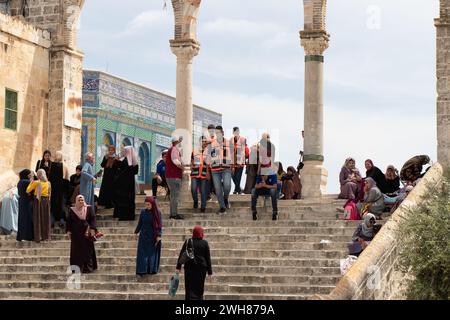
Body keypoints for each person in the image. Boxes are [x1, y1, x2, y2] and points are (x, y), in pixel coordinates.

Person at [176, 226, 213, 300]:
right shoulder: (204, 243)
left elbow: (181, 254)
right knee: (199, 287)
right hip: (201, 269)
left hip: (189, 268)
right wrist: (210, 272)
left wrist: (178, 267)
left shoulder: (188, 241)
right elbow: (208, 258)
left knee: (189, 287)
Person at [66, 195, 98, 273]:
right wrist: (68, 231)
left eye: (82, 200)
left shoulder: (89, 208)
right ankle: (77, 269)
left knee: (88, 250)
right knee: (76, 251)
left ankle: (88, 268)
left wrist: (93, 229)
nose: (81, 202)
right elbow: (69, 221)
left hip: (86, 233)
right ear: (76, 201)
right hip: (76, 235)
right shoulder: (72, 210)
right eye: (79, 200)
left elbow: (93, 219)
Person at [135, 197, 162, 275]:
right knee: (142, 254)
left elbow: (159, 225)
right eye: (146, 204)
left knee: (151, 254)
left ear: (152, 204)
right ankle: (142, 270)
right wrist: (136, 232)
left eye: (148, 204)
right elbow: (140, 223)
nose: (147, 206)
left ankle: (151, 270)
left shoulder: (157, 213)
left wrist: (159, 235)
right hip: (143, 236)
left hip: (153, 236)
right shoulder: (143, 212)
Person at [209, 125, 232, 214]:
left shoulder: (229, 142)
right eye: (216, 133)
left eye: (219, 132)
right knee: (218, 189)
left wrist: (232, 166)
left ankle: (225, 198)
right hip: (215, 169)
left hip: (226, 168)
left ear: (222, 133)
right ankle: (222, 207)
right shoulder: (211, 144)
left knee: (227, 186)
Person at [113, 146, 139, 221]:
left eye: (124, 151)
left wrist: (116, 161)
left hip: (125, 184)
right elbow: (135, 171)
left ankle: (124, 216)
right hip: (128, 183)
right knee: (128, 199)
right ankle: (129, 216)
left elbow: (121, 168)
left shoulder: (126, 160)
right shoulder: (133, 161)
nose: (123, 151)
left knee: (124, 199)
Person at [26, 169, 51, 242]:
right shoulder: (48, 183)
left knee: (38, 218)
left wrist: (31, 181)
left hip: (38, 201)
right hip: (46, 202)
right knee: (46, 219)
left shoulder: (36, 182)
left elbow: (27, 190)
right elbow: (49, 194)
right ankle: (46, 236)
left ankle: (38, 237)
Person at [165, 137, 185, 220]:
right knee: (175, 196)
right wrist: (182, 167)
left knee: (173, 195)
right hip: (174, 176)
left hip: (171, 176)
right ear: (175, 142)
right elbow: (175, 161)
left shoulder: (172, 149)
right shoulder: (174, 149)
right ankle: (174, 214)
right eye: (179, 142)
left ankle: (173, 213)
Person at [49, 151, 69, 228]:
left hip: (54, 188)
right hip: (62, 188)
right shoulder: (64, 165)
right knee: (61, 204)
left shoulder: (52, 165)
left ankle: (52, 221)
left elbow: (50, 177)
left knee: (54, 204)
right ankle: (61, 221)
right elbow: (67, 178)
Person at [191, 136, 210, 213]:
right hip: (195, 174)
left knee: (203, 191)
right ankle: (195, 201)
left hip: (204, 173)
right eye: (203, 141)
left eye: (205, 141)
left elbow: (208, 164)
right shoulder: (194, 151)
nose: (204, 142)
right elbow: (191, 162)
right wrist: (192, 167)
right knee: (193, 189)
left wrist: (208, 173)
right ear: (199, 142)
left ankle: (203, 206)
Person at [16, 169, 33, 241]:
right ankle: (27, 236)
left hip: (21, 202)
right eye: (29, 174)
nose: (30, 175)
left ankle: (21, 236)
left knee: (22, 219)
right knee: (28, 219)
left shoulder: (20, 182)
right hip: (27, 202)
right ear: (26, 175)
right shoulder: (27, 182)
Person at [230, 127, 247, 194]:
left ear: (239, 132)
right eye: (235, 132)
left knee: (238, 176)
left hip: (240, 161)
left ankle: (236, 190)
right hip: (233, 162)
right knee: (233, 176)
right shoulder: (231, 140)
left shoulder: (242, 139)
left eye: (237, 131)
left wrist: (240, 162)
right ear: (233, 132)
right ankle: (238, 189)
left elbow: (243, 151)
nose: (236, 133)